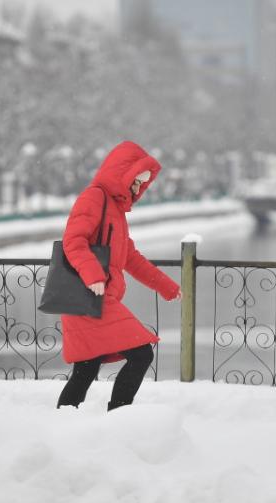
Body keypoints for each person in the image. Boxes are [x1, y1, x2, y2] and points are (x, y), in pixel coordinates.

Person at [56, 140, 181, 411]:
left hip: (97, 298)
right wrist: (93, 276)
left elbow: (130, 258)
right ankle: (118, 415)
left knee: (86, 368)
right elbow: (73, 240)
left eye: (142, 183)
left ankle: (67, 418)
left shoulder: (116, 211)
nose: (139, 188)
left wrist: (166, 287)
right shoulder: (94, 198)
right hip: (87, 296)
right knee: (141, 353)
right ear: (123, 175)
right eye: (137, 181)